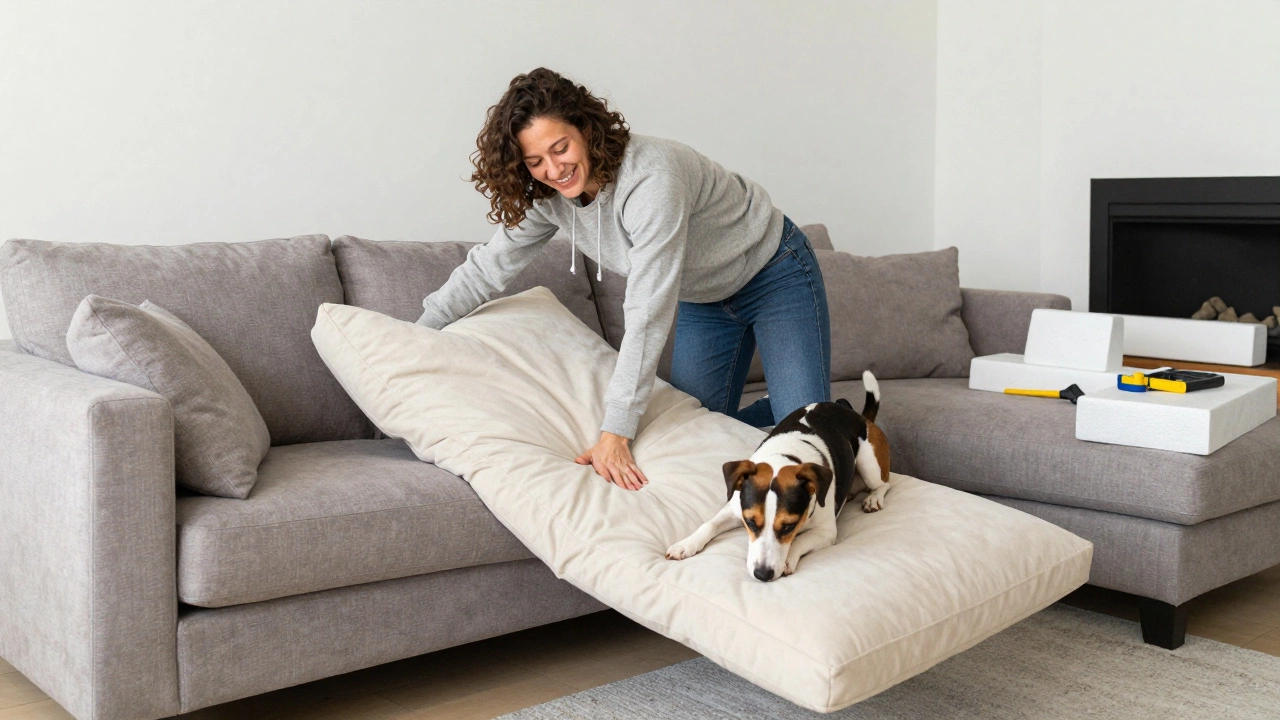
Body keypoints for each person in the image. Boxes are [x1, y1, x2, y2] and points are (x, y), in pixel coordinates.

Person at [418, 68, 830, 491]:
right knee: (689, 432)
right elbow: (487, 268)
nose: (554, 169)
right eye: (535, 161)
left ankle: (797, 409)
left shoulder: (652, 179)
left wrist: (615, 433)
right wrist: (415, 336)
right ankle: (774, 407)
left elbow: (647, 310)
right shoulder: (547, 198)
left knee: (807, 438)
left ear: (585, 129)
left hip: (773, 273)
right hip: (704, 300)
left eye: (561, 148)